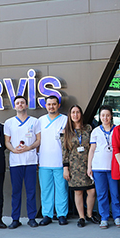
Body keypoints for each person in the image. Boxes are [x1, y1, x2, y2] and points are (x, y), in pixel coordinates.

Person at [4, 95, 41, 228]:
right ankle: (15, 219)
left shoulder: (35, 121)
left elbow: (38, 140)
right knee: (16, 192)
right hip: (16, 162)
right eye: (18, 103)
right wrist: (13, 150)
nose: (20, 104)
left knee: (31, 191)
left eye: (22, 102)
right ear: (15, 106)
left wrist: (29, 147)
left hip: (30, 161)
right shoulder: (9, 122)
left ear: (26, 105)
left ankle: (32, 218)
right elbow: (7, 142)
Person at [63, 105, 97, 228]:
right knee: (78, 192)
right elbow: (65, 151)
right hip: (74, 166)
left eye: (78, 112)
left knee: (92, 191)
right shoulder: (66, 131)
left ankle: (89, 215)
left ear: (81, 114)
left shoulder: (88, 128)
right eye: (73, 112)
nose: (75, 115)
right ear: (70, 115)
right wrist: (65, 168)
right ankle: (81, 217)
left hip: (88, 164)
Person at [38, 96, 69, 226]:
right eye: (49, 104)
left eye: (54, 104)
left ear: (58, 105)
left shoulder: (65, 119)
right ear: (45, 106)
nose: (51, 106)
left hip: (60, 162)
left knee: (62, 190)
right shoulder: (40, 120)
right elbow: (37, 140)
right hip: (44, 161)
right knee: (46, 190)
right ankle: (47, 215)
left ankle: (62, 214)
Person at [88, 105, 120, 228]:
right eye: (103, 115)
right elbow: (92, 150)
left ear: (111, 116)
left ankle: (117, 216)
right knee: (102, 194)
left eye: (107, 115)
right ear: (99, 117)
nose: (105, 118)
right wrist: (89, 166)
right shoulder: (95, 131)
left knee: (115, 193)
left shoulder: (117, 129)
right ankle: (104, 218)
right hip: (98, 167)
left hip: (114, 167)